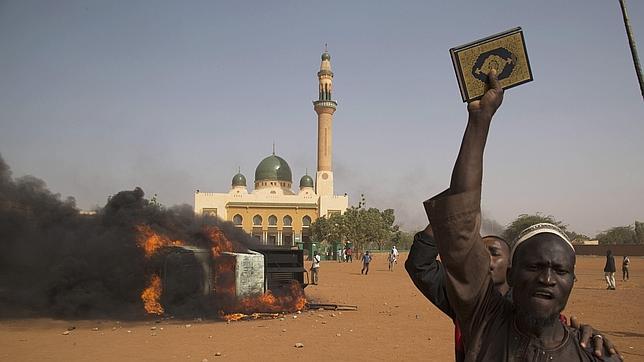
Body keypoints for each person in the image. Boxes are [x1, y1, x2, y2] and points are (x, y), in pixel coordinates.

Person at [424, 69, 621, 361]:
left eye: (560, 270)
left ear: (573, 282)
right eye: (534, 267)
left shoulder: (595, 355)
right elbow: (461, 226)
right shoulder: (485, 320)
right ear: (512, 275)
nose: (547, 279)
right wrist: (480, 121)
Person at [406, 224, 619, 361]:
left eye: (494, 253)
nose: (484, 260)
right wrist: (443, 218)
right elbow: (420, 265)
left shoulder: (540, 312)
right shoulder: (467, 304)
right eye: (479, 253)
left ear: (512, 267)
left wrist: (590, 340)